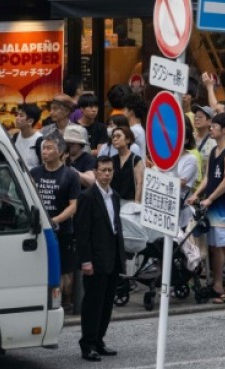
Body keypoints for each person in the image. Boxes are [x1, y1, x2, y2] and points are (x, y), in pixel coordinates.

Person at [74, 156, 125, 362]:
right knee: (92, 303)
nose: (106, 174)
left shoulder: (115, 196)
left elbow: (116, 228)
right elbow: (82, 231)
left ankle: (99, 340)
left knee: (106, 304)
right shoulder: (87, 197)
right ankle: (87, 343)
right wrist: (85, 260)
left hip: (112, 257)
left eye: (109, 170)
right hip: (95, 258)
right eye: (103, 170)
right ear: (95, 172)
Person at [188, 113, 225, 303]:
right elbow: (209, 177)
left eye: (214, 126)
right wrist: (197, 194)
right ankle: (218, 285)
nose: (211, 128)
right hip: (213, 206)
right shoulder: (214, 151)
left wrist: (210, 198)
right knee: (214, 248)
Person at [29, 133, 80, 311]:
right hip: (38, 229)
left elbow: (73, 206)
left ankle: (66, 302)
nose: (45, 152)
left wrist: (55, 220)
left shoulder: (70, 176)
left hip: (63, 229)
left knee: (65, 269)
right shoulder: (34, 173)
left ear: (60, 152)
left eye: (49, 148)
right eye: (43, 148)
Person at [109, 125, 144, 204]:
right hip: (114, 201)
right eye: (113, 136)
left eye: (118, 136)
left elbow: (139, 183)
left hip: (130, 202)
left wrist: (137, 202)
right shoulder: (112, 159)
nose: (114, 139)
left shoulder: (135, 159)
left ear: (128, 140)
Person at [12, 104, 43, 168]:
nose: (17, 118)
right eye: (17, 115)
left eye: (21, 116)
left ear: (30, 121)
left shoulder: (40, 140)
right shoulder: (15, 137)